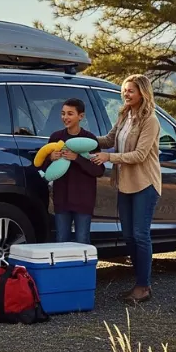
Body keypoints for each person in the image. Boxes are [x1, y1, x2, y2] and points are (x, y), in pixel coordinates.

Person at [90, 74, 162, 305]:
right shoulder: (125, 115)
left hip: (145, 184)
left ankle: (144, 286)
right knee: (129, 235)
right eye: (124, 90)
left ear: (142, 92)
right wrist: (83, 138)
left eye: (130, 90)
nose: (126, 94)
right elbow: (110, 139)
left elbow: (140, 155)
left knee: (141, 235)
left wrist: (108, 157)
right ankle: (139, 282)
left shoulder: (150, 120)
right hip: (125, 183)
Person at [44, 98, 105, 244]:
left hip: (83, 200)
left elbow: (98, 170)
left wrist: (77, 158)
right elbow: (44, 169)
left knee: (82, 239)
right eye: (63, 113)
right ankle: (62, 267)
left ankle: (83, 267)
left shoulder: (89, 140)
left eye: (70, 114)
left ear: (81, 116)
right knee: (61, 239)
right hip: (61, 199)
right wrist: (51, 158)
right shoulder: (56, 137)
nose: (65, 117)